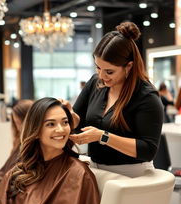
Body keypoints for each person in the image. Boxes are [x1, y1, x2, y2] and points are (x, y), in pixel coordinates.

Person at [66, 21, 164, 178]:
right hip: (96, 171)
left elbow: (148, 150)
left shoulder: (146, 96)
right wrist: (68, 115)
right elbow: (79, 121)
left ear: (129, 66)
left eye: (109, 72)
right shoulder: (95, 82)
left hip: (132, 176)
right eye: (98, 68)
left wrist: (103, 136)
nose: (102, 76)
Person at [0, 99, 33, 192]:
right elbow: (5, 172)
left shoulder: (32, 148)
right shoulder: (20, 144)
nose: (18, 128)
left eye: (20, 123)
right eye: (16, 123)